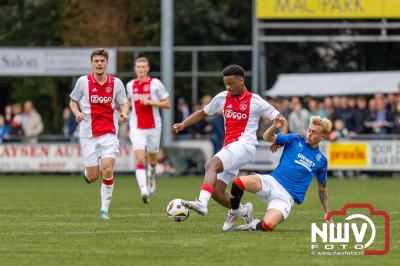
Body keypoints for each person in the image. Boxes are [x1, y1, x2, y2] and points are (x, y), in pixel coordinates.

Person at [172, 64, 286, 228]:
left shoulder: (255, 101)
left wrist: (279, 137)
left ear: (242, 80)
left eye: (231, 83)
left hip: (245, 146)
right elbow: (203, 112)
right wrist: (183, 124)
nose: (228, 87)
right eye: (226, 83)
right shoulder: (222, 97)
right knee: (217, 192)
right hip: (230, 148)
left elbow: (279, 117)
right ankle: (243, 210)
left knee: (211, 164)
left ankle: (201, 203)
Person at [224, 116, 332, 232]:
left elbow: (322, 189)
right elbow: (267, 137)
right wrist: (274, 126)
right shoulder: (295, 139)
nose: (309, 134)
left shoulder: (321, 160)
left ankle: (251, 225)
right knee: (238, 183)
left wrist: (327, 213)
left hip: (286, 197)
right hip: (272, 182)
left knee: (268, 226)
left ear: (323, 136)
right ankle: (235, 211)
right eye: (309, 130)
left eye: (314, 132)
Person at [69, 48, 129, 220]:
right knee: (94, 176)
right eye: (96, 61)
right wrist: (77, 113)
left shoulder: (116, 83)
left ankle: (104, 210)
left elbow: (124, 102)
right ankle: (88, 174)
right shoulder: (82, 82)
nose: (99, 64)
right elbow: (73, 102)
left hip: (109, 132)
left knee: (108, 169)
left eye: (102, 61)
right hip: (88, 134)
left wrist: (124, 113)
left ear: (107, 63)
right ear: (91, 63)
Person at [126, 57, 170, 203]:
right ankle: (144, 190)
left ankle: (151, 176)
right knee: (139, 157)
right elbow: (128, 102)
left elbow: (167, 104)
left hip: (154, 127)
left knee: (152, 161)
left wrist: (151, 102)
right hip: (136, 127)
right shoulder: (130, 85)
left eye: (143, 66)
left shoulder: (155, 84)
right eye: (138, 66)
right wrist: (124, 112)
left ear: (148, 68)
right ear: (135, 68)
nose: (140, 69)